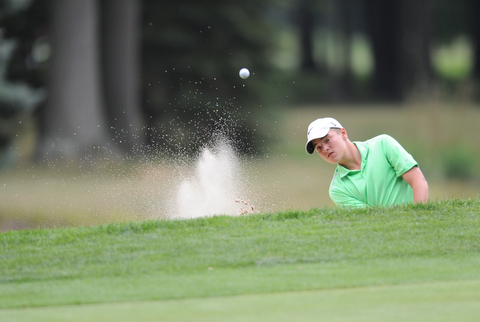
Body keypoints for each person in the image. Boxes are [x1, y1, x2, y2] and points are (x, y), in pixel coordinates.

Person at [305, 117, 429, 208]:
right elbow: (370, 220)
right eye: (318, 148)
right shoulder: (337, 189)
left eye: (327, 139)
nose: (325, 149)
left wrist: (417, 219)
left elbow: (418, 181)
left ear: (343, 133)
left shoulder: (383, 145)